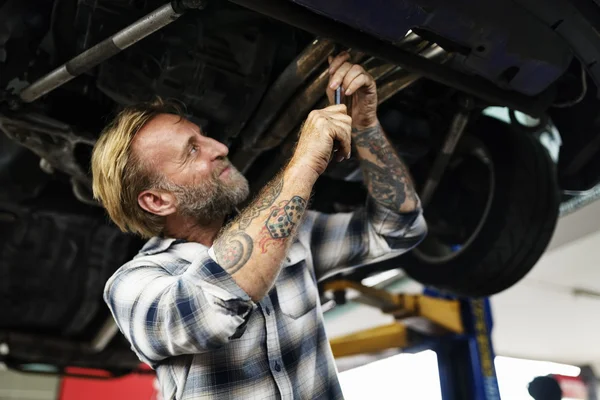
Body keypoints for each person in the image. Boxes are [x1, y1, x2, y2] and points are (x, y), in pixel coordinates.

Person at [91, 52, 427, 399]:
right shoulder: (134, 284)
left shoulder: (293, 233)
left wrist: (366, 127)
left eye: (203, 136)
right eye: (192, 150)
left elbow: (399, 228)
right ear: (158, 200)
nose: (219, 147)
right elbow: (208, 311)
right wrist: (305, 162)